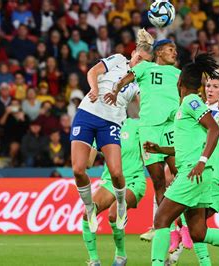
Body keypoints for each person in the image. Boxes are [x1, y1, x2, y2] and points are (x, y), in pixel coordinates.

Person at [142, 53, 219, 266]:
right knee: (198, 233)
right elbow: (187, 145)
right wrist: (159, 148)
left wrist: (201, 161)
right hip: (200, 175)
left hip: (193, 172)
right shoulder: (186, 107)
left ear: (180, 82)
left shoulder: (191, 101)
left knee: (161, 220)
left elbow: (214, 129)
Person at [70, 29, 153, 234]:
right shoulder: (117, 59)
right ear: (133, 53)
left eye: (145, 62)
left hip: (112, 123)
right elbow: (92, 72)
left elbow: (145, 107)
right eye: (139, 58)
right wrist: (95, 89)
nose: (140, 63)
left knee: (116, 172)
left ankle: (122, 204)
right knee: (79, 169)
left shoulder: (138, 82)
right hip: (87, 113)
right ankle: (90, 208)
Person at [105, 39, 181, 240]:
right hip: (148, 129)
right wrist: (115, 89)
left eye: (175, 50)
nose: (175, 53)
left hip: (171, 126)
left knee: (179, 173)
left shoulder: (178, 74)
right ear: (159, 52)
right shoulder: (146, 67)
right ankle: (164, 228)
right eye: (170, 49)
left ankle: (182, 224)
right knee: (158, 182)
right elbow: (128, 77)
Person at [82, 118, 146, 266]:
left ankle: (121, 255)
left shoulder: (135, 125)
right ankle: (94, 260)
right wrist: (85, 139)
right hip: (110, 181)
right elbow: (88, 163)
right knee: (88, 213)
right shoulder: (101, 128)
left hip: (133, 180)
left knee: (114, 214)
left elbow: (147, 154)